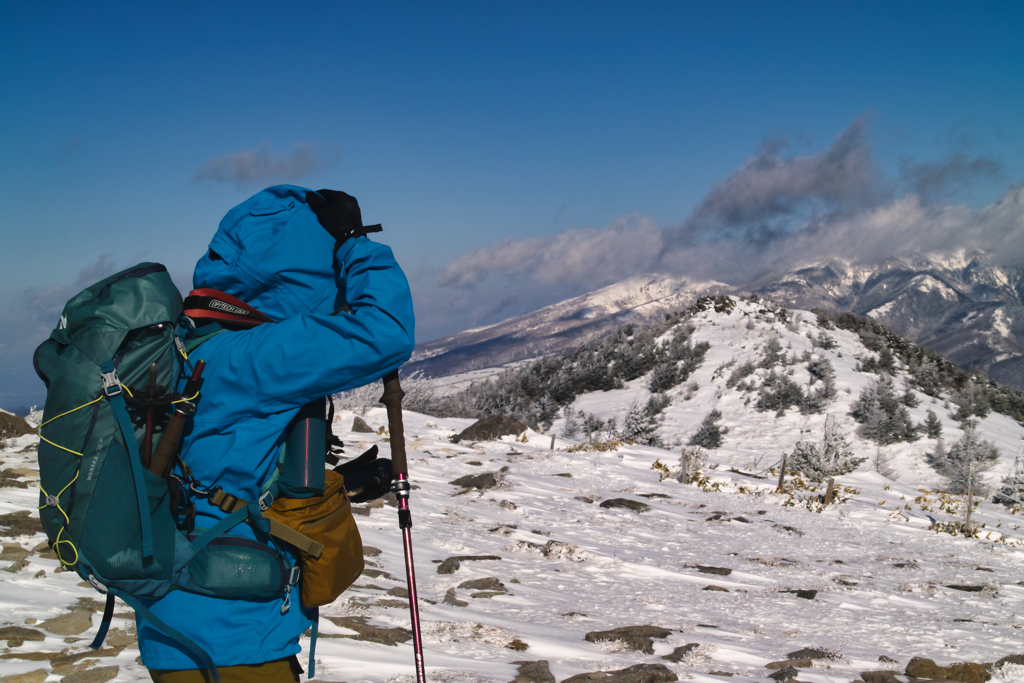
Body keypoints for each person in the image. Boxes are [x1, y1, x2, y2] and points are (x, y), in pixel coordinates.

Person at [138, 185, 416, 682]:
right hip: (230, 635)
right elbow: (385, 332)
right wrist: (354, 243)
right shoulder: (254, 355)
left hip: (185, 619)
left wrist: (334, 485)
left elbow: (215, 464)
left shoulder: (191, 343)